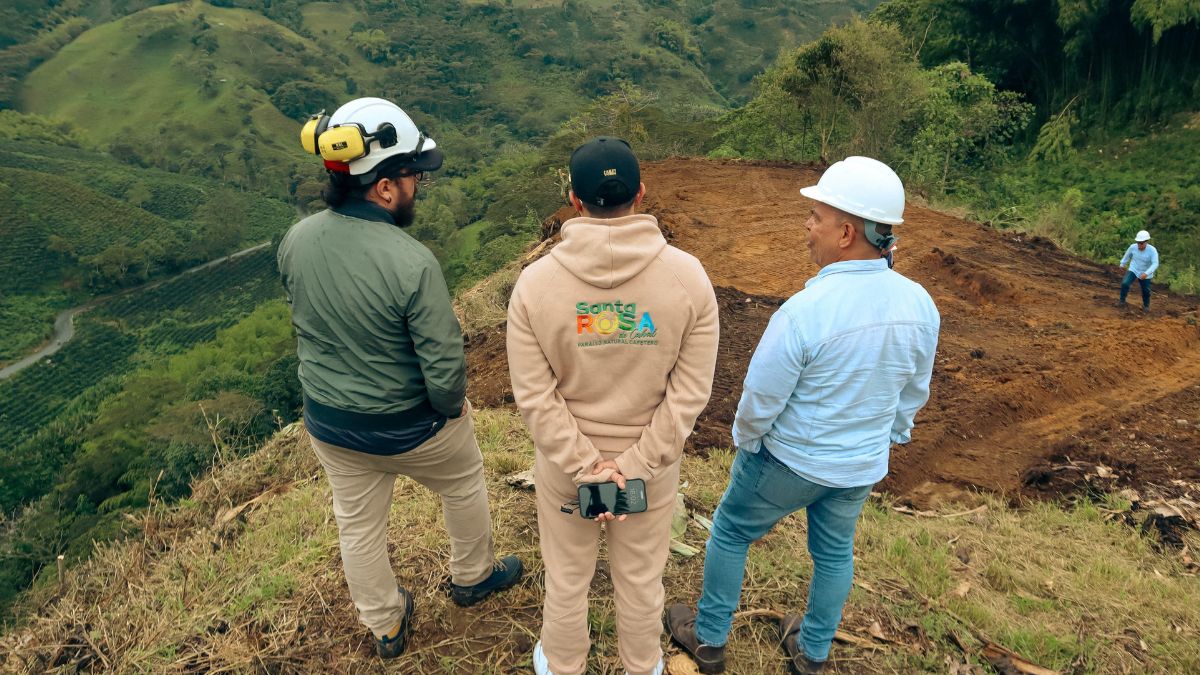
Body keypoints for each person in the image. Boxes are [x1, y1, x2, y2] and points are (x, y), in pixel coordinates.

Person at [665, 157, 940, 674]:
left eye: (815, 215)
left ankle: (708, 640)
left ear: (846, 232)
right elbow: (912, 391)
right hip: (859, 466)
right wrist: (891, 437)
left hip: (788, 462)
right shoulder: (920, 304)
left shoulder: (804, 312)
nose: (806, 226)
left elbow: (760, 399)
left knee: (729, 531)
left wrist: (746, 441)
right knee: (835, 553)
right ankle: (812, 654)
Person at [277, 97, 523, 660]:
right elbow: (443, 369)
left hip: (331, 425)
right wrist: (451, 407)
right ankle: (472, 577)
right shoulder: (411, 261)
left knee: (357, 524)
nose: (419, 185)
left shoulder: (296, 240)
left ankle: (385, 625)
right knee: (463, 483)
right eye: (414, 175)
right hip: (413, 427)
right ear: (384, 187)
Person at [506, 137, 719, 675]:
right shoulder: (689, 279)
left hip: (564, 470)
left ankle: (562, 663)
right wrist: (631, 468)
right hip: (651, 469)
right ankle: (642, 665)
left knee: (568, 575)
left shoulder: (534, 286)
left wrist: (589, 468)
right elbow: (689, 395)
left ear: (573, 200)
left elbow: (535, 397)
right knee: (643, 579)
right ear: (640, 195)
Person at [1116, 230, 1159, 313]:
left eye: (1141, 243)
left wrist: (1146, 273)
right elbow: (1127, 255)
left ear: (1146, 242)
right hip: (1134, 269)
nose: (1139, 245)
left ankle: (1146, 306)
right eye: (1138, 242)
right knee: (1125, 283)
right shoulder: (1133, 247)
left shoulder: (1152, 251)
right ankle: (1122, 301)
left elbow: (1155, 263)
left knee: (1146, 290)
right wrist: (1122, 264)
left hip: (1146, 272)